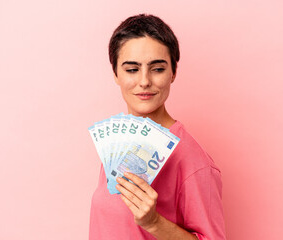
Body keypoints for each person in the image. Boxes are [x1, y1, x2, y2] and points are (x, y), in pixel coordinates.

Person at [89, 13, 226, 240]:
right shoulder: (114, 145)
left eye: (158, 68)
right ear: (115, 74)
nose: (144, 81)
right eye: (132, 69)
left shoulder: (194, 162)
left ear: (173, 72)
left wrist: (154, 222)